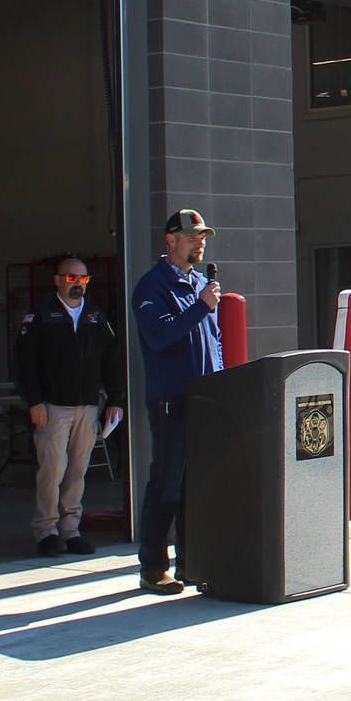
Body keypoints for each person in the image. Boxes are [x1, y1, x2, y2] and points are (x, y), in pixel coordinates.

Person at [132, 210, 224, 595]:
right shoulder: (152, 286)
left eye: (202, 237)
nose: (199, 243)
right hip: (171, 401)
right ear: (170, 240)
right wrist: (201, 305)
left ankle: (193, 563)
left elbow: (213, 341)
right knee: (166, 486)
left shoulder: (200, 282)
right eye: (191, 237)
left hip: (204, 400)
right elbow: (159, 336)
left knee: (196, 488)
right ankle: (154, 567)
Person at [16, 257, 125, 556]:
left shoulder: (95, 317)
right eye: (70, 278)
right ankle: (46, 530)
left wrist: (115, 399)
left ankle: (70, 528)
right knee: (52, 469)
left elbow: (111, 361)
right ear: (57, 280)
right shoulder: (40, 316)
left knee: (78, 470)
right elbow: (25, 363)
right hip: (52, 407)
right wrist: (34, 400)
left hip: (87, 407)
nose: (77, 284)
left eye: (82, 279)